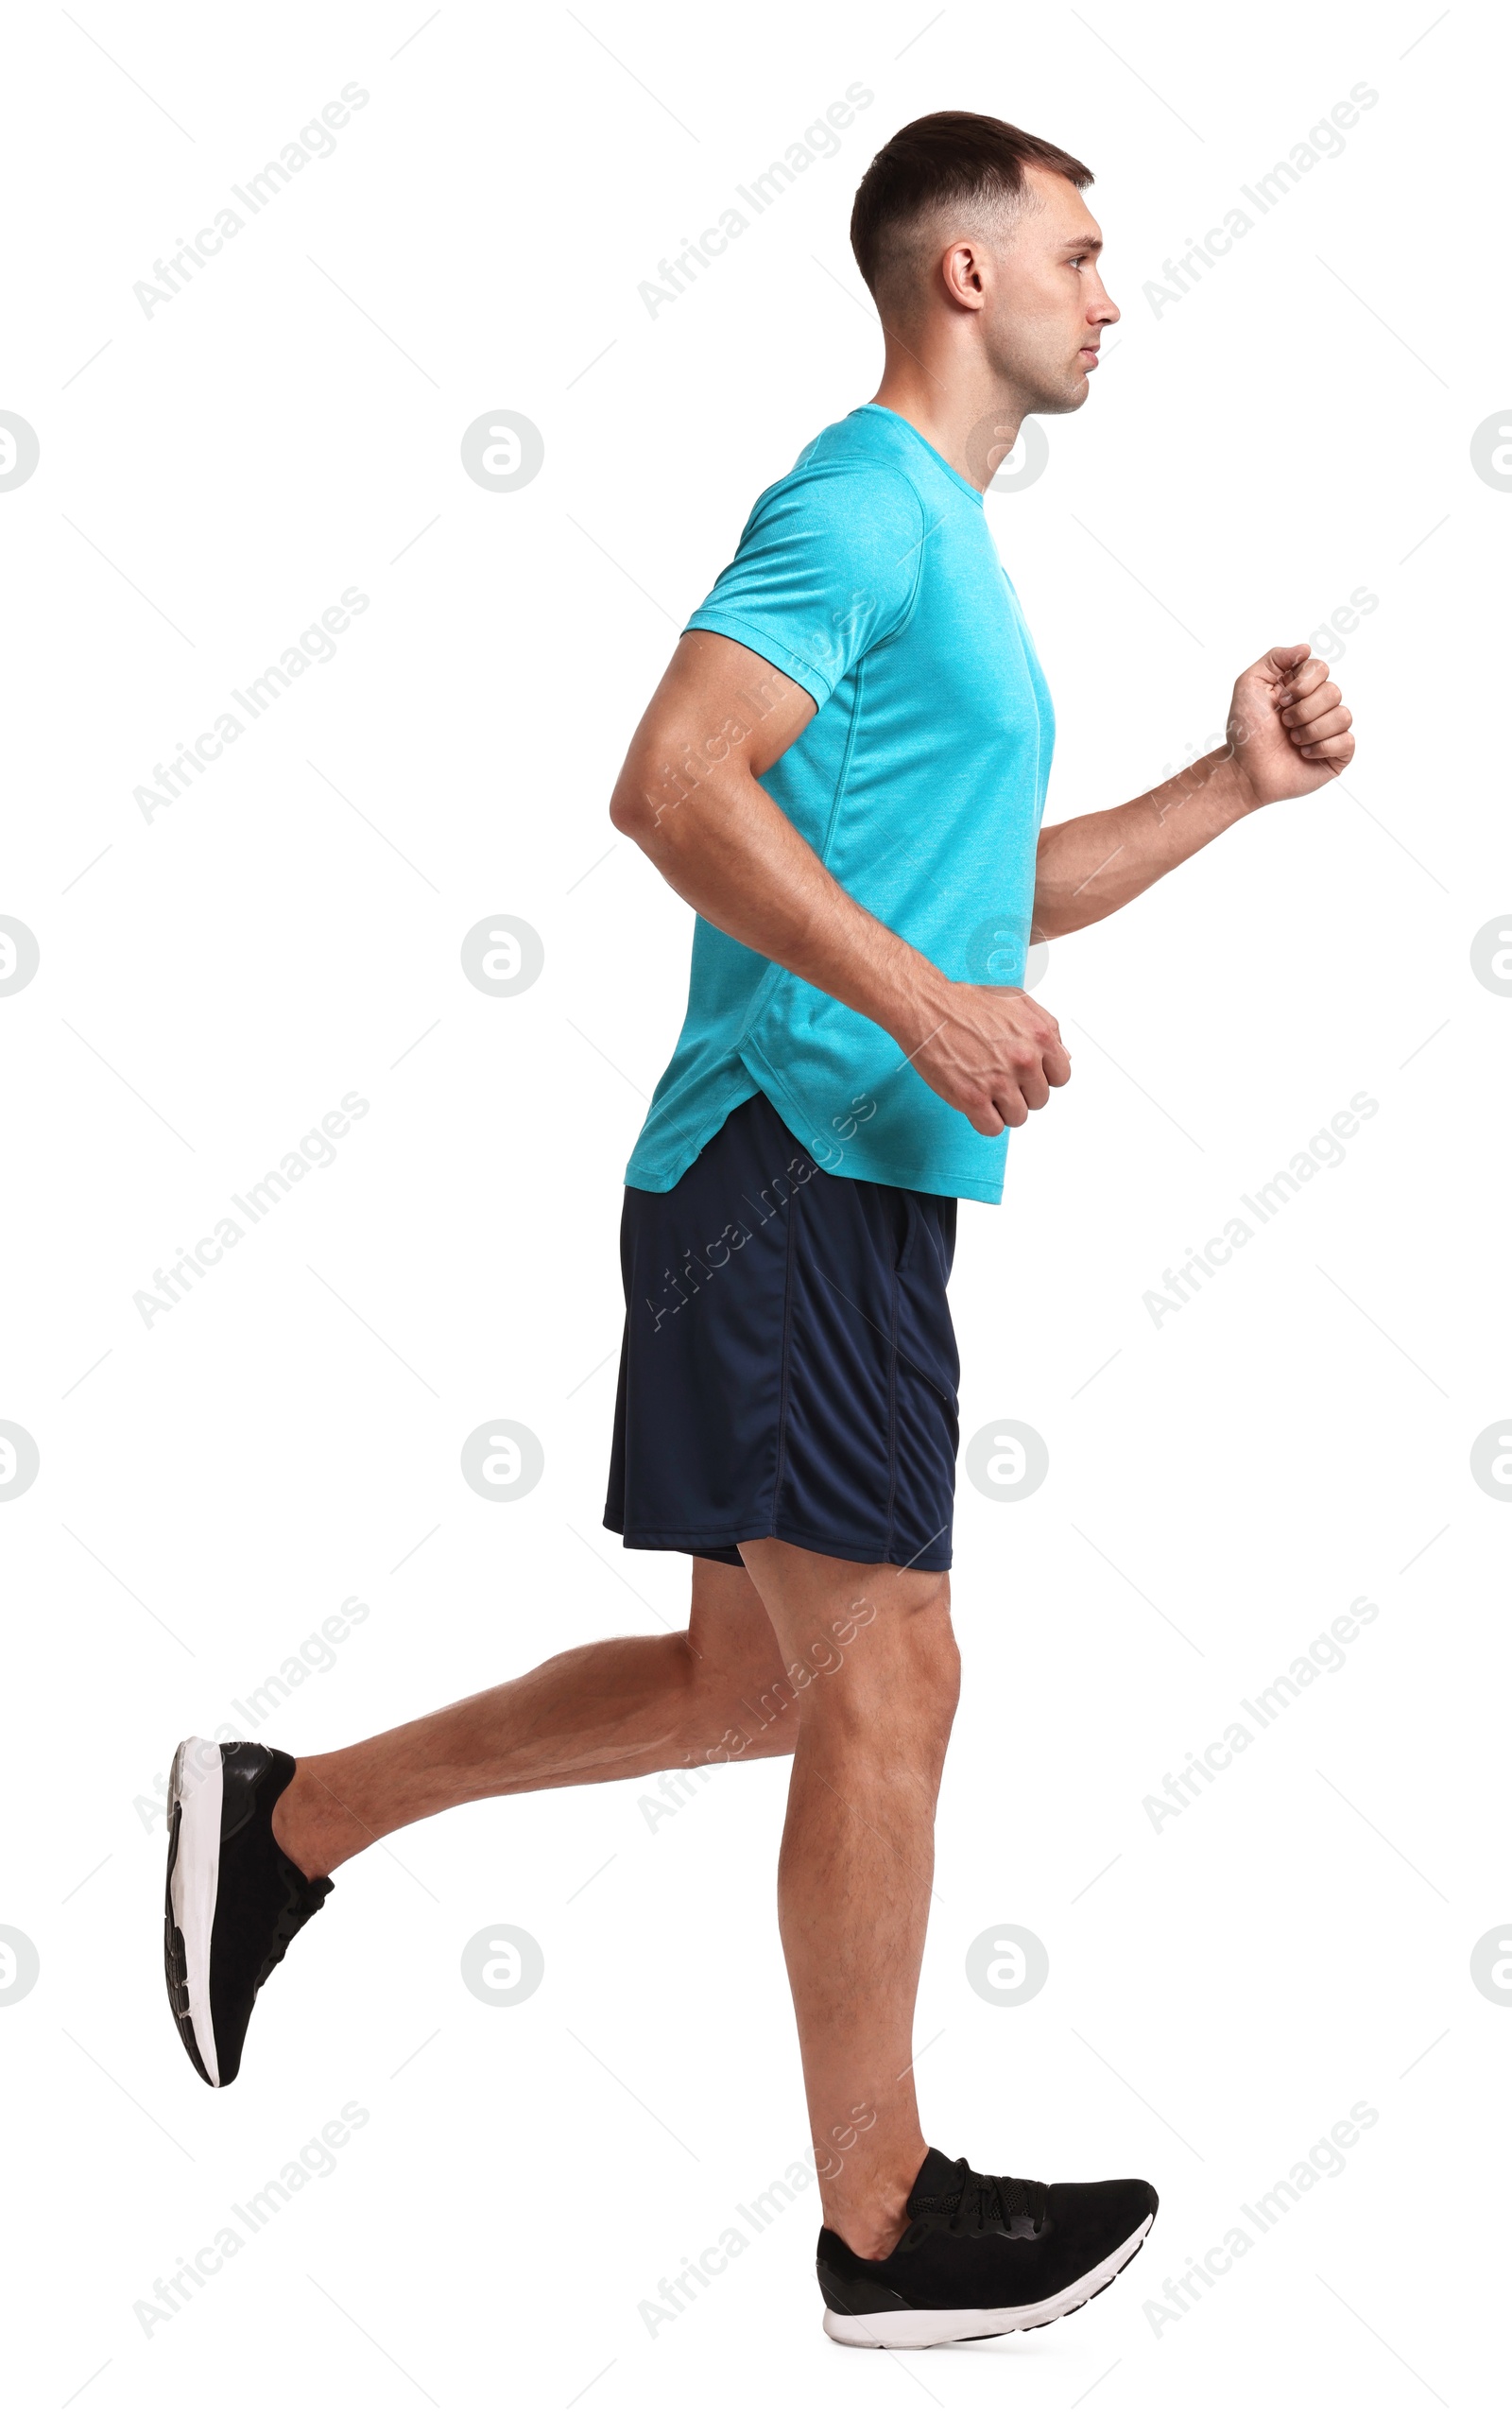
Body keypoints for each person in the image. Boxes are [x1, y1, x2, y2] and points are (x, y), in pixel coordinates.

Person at [162, 110, 1354, 2349]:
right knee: (890, 1671)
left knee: (750, 1686)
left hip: (848, 1192)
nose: (1112, 292)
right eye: (1080, 252)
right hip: (784, 1165)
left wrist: (1225, 793)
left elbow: (972, 902)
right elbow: (669, 780)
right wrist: (914, 1004)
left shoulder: (956, 557)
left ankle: (286, 1818)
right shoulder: (856, 501)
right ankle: (877, 2219)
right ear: (965, 277)